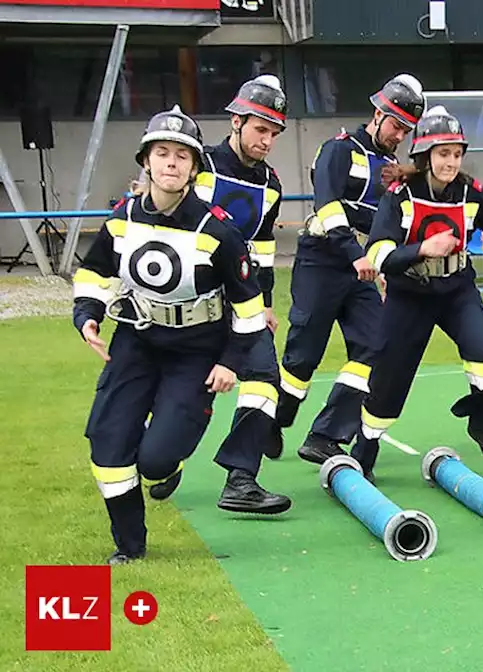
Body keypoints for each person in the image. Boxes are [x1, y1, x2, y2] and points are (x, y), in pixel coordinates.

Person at [72, 106, 276, 564]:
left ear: (193, 166)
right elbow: (94, 271)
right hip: (136, 342)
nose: (170, 163)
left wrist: (231, 361)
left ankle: (172, 460)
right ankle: (130, 547)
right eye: (162, 153)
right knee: (108, 447)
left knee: (155, 461)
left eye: (181, 156)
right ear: (146, 160)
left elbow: (248, 309)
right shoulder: (122, 218)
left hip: (196, 354)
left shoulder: (218, 231)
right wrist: (88, 313)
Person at [354, 108, 483, 476]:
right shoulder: (399, 194)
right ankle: (365, 447)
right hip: (409, 294)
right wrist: (423, 249)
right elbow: (378, 254)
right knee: (389, 375)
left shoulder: (473, 193)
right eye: (443, 153)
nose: (451, 162)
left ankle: (480, 422)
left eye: (456, 153)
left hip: (456, 290)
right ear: (425, 156)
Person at [279, 74, 425, 466]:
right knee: (303, 356)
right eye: (397, 126)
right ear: (377, 115)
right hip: (322, 259)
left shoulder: (393, 167)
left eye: (407, 130)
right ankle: (275, 419)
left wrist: (381, 265)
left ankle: (325, 434)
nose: (400, 136)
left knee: (378, 345)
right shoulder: (338, 150)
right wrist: (353, 253)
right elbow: (327, 206)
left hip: (360, 271)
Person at [182, 74, 294, 514]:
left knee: (265, 379)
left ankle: (241, 479)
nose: (267, 140)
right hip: (191, 298)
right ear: (236, 121)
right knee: (188, 391)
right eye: (260, 129)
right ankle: (164, 460)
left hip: (243, 298)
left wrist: (265, 303)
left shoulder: (271, 184)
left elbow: (263, 249)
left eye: (273, 133)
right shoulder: (200, 165)